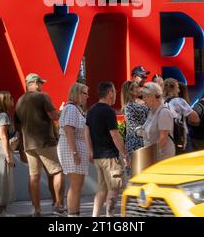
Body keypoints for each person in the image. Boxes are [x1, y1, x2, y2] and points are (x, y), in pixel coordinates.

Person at [15, 73, 65, 216]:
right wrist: (61, 110)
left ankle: (36, 210)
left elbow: (18, 126)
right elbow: (54, 116)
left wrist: (20, 149)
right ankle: (59, 206)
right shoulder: (42, 96)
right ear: (35, 83)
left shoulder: (20, 101)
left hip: (28, 144)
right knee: (57, 172)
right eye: (40, 83)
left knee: (34, 176)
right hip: (44, 141)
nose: (42, 86)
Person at [85, 81, 130, 217]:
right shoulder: (108, 111)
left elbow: (86, 131)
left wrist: (90, 151)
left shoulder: (92, 110)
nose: (115, 95)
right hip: (110, 157)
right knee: (114, 189)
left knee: (102, 190)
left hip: (98, 156)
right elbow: (115, 135)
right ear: (109, 93)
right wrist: (125, 154)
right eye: (114, 92)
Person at [58, 83, 89, 217]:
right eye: (84, 93)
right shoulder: (70, 108)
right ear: (76, 93)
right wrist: (75, 153)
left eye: (87, 93)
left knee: (77, 185)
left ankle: (75, 213)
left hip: (75, 148)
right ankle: (73, 215)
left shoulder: (75, 109)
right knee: (76, 185)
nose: (87, 96)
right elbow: (69, 130)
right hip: (71, 149)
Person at [163, 78, 200, 153]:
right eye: (177, 88)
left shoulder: (161, 102)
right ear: (173, 88)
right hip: (180, 137)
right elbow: (195, 118)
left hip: (166, 138)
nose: (179, 91)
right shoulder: (178, 101)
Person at [141, 83, 175, 162]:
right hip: (153, 156)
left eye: (145, 96)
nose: (143, 99)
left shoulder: (164, 112)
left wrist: (150, 154)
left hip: (162, 157)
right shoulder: (151, 111)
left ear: (153, 96)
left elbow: (163, 138)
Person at [120, 81, 148, 156]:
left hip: (142, 142)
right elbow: (133, 127)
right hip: (135, 144)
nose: (139, 89)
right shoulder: (129, 106)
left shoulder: (137, 104)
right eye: (136, 87)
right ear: (130, 91)